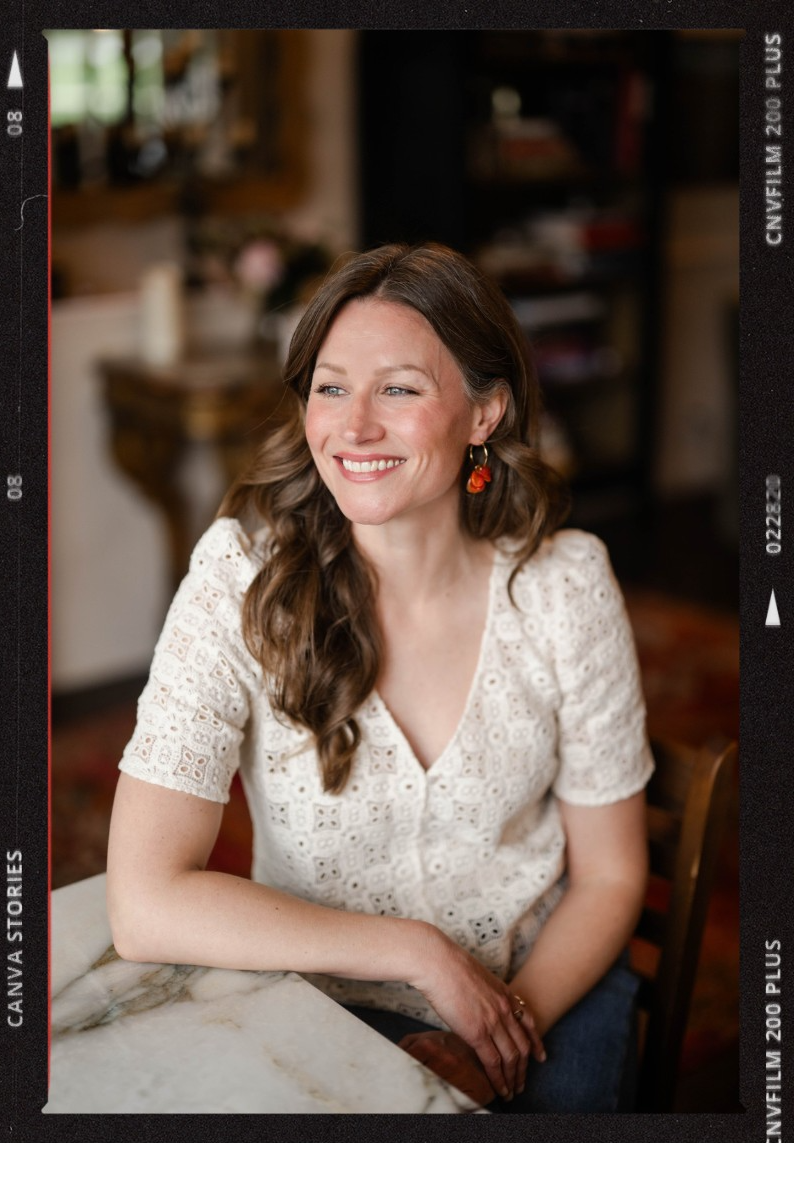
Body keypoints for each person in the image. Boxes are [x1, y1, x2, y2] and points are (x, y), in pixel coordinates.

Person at [107, 242, 654, 1112]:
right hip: (315, 998)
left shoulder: (565, 586)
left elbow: (612, 876)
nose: (353, 426)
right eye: (331, 387)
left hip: (544, 990)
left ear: (485, 412)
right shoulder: (239, 584)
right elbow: (144, 904)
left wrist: (501, 1022)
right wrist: (417, 952)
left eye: (399, 389)